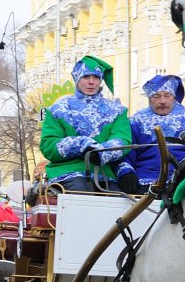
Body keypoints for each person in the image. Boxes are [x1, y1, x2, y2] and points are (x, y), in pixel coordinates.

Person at [40, 55, 132, 192]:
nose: (91, 82)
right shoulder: (58, 110)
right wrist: (80, 144)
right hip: (69, 172)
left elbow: (124, 140)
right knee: (82, 194)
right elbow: (48, 145)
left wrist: (101, 151)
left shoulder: (117, 110)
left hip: (105, 173)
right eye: (86, 77)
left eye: (95, 77)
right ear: (77, 79)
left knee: (119, 203)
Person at [116, 74, 185, 193]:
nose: (162, 101)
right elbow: (126, 152)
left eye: (167, 95)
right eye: (156, 96)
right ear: (149, 98)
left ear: (174, 97)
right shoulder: (136, 120)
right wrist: (126, 172)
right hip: (146, 179)